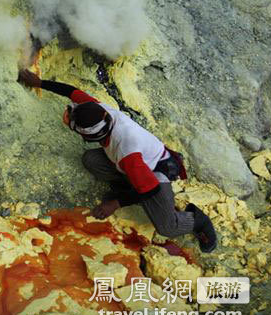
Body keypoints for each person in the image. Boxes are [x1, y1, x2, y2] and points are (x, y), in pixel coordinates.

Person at [18, 69, 217, 252]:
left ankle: (196, 220)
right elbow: (71, 91)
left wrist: (116, 203)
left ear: (90, 137)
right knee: (91, 160)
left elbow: (151, 189)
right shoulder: (97, 110)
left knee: (166, 226)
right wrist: (40, 83)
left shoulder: (127, 151)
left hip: (157, 172)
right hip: (136, 164)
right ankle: (128, 185)